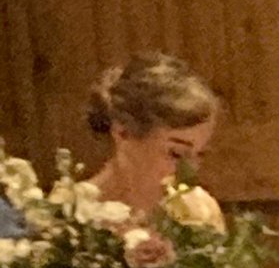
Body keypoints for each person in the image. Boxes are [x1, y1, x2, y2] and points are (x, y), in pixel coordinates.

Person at [86, 54, 222, 220]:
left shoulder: (198, 213)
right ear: (123, 133)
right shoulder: (68, 218)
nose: (190, 171)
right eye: (176, 153)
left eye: (200, 155)